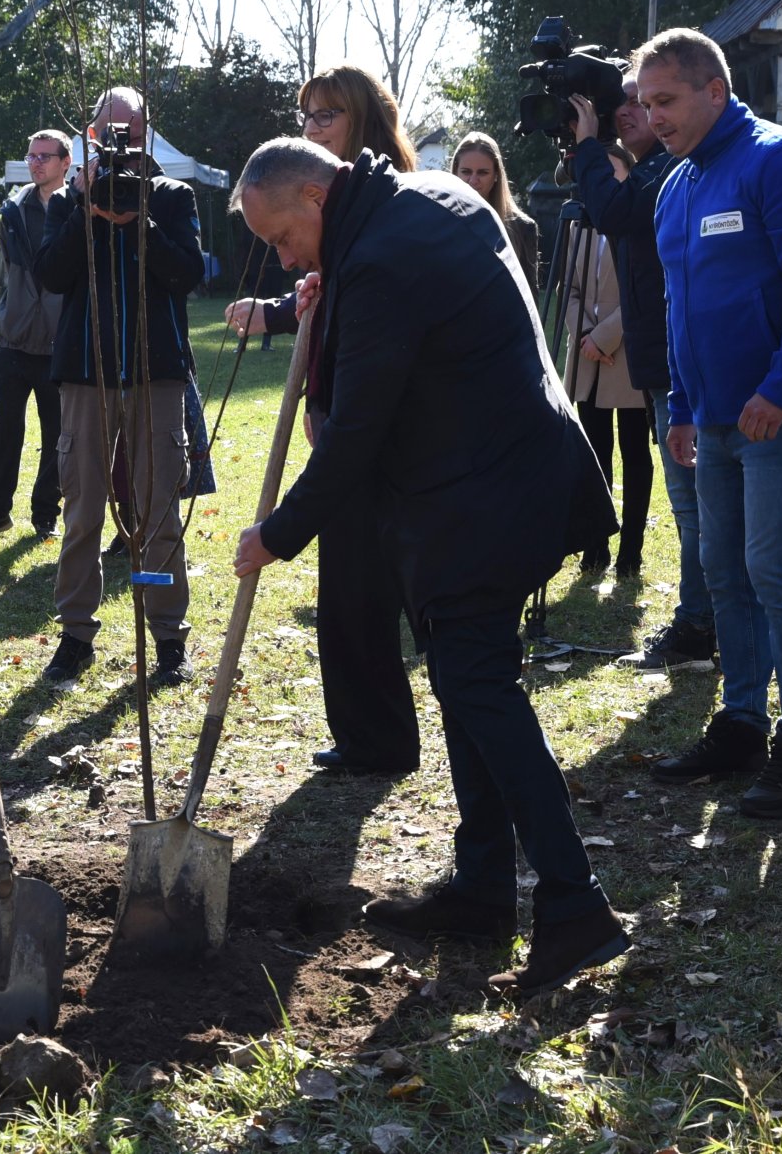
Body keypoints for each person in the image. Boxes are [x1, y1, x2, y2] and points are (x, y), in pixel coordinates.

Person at [230, 138, 628, 995]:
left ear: (316, 196)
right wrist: (328, 300)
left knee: (479, 685)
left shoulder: (383, 255)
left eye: (282, 236)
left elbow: (356, 431)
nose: (283, 257)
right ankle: (482, 888)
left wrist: (279, 534)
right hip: (494, 481)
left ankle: (575, 904)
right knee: (463, 677)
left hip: (486, 495)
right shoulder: (421, 200)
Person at [637, 28, 782, 821]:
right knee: (722, 569)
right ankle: (741, 725)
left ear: (715, 90)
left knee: (773, 571)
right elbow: (679, 307)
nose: (653, 117)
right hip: (714, 415)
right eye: (645, 103)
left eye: (666, 100)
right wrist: (683, 406)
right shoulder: (675, 187)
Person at [223, 64, 421, 777]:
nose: (313, 127)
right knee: (344, 588)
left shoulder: (388, 203)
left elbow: (379, 318)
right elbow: (332, 292)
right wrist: (299, 302)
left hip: (384, 428)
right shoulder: (330, 210)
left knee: (372, 587)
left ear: (362, 118)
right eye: (306, 116)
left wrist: (278, 532)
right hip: (339, 410)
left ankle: (384, 736)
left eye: (327, 115)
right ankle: (367, 734)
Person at [36, 86, 205, 688]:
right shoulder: (68, 200)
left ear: (146, 133)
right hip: (86, 374)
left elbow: (187, 274)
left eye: (131, 135)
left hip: (157, 374)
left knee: (159, 510)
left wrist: (141, 225)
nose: (121, 146)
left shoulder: (173, 196)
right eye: (110, 134)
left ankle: (168, 636)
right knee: (83, 508)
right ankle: (76, 635)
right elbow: (51, 275)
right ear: (90, 135)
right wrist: (86, 211)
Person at [567, 78, 716, 671]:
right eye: (624, 102)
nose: (631, 112)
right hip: (663, 364)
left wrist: (585, 145)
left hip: (680, 367)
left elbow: (612, 211)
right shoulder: (657, 169)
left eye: (647, 102)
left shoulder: (665, 170)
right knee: (692, 509)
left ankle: (701, 628)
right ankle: (702, 623)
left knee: (696, 509)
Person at [0, 128, 71, 542]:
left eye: (45, 156)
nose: (36, 163)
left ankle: (45, 514)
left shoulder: (78, 209)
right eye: (31, 156)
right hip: (13, 340)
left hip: (60, 343)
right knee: (5, 432)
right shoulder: (13, 208)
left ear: (66, 162)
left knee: (57, 435)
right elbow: (13, 269)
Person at [559, 143, 652, 577]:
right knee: (593, 453)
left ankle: (631, 551)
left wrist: (604, 337)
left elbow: (644, 290)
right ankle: (595, 546)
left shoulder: (637, 222)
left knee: (634, 451)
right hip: (587, 358)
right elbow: (568, 289)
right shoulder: (579, 226)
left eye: (612, 173)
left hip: (627, 355)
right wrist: (584, 336)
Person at [452, 131, 539, 289]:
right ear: (455, 172)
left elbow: (529, 294)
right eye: (466, 172)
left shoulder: (521, 228)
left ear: (496, 175)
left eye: (483, 172)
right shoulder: (442, 223)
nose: (473, 181)